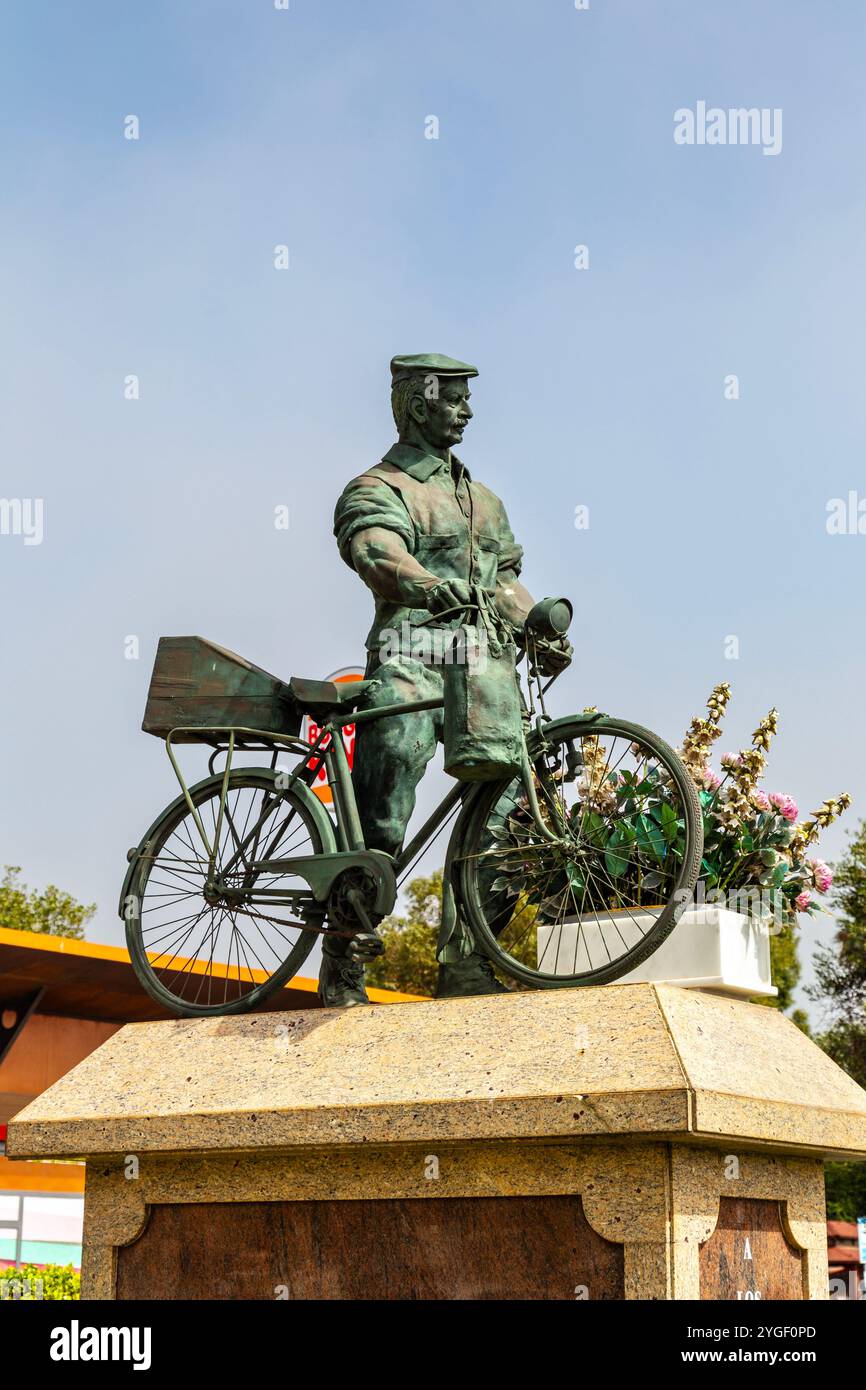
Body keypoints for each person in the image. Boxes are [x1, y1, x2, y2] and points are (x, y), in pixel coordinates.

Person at [324, 353, 571, 1006]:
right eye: (453, 399)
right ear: (414, 405)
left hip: (481, 667)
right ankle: (347, 947)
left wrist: (538, 627)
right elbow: (377, 550)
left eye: (468, 399)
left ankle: (465, 963)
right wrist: (429, 586)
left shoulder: (484, 502)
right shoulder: (378, 486)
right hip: (408, 657)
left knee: (498, 819)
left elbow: (504, 583)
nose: (467, 410)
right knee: (389, 797)